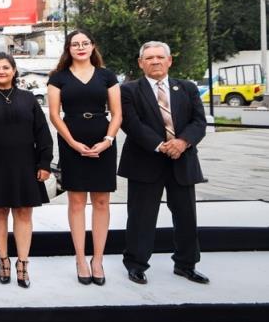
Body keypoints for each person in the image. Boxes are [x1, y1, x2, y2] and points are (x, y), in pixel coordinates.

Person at [119, 41, 208, 285]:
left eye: (160, 57)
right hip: (145, 161)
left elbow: (199, 122)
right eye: (149, 58)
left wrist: (182, 143)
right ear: (141, 63)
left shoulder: (187, 88)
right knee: (141, 217)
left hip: (183, 160)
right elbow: (132, 124)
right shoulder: (128, 91)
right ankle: (136, 264)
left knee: (186, 216)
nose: (155, 61)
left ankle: (186, 264)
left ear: (169, 61)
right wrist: (161, 146)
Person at [0, 53, 53, 289]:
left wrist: (45, 163)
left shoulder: (28, 98)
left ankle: (23, 263)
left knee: (24, 213)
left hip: (26, 165)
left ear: (14, 71)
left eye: (6, 67)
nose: (1, 71)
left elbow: (42, 133)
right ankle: (3, 260)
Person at [46, 29, 122, 286]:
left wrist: (108, 140)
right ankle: (80, 259)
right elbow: (55, 115)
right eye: (75, 44)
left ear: (92, 46)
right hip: (72, 141)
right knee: (76, 202)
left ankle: (97, 259)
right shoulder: (58, 78)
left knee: (102, 202)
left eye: (85, 43)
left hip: (103, 140)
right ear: (68, 49)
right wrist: (72, 143)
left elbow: (117, 113)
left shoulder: (107, 76)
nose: (80, 47)